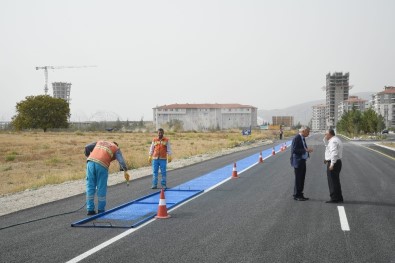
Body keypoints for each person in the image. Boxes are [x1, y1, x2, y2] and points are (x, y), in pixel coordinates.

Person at [84, 141, 128, 215]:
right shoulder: (115, 148)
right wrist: (124, 169)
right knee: (101, 186)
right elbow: (121, 161)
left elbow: (87, 146)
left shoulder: (100, 142)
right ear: (116, 144)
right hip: (102, 165)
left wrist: (88, 156)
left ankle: (90, 209)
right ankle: (101, 210)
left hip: (90, 163)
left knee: (90, 186)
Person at [290, 126, 313, 201]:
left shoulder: (302, 138)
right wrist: (305, 150)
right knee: (298, 179)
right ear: (303, 131)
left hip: (302, 161)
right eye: (307, 132)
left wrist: (306, 151)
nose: (308, 133)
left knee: (302, 178)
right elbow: (294, 150)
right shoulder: (297, 138)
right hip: (298, 161)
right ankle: (297, 195)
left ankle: (300, 194)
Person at [323, 129, 344, 203]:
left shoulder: (333, 141)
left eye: (326, 134)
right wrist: (326, 159)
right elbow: (329, 150)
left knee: (332, 181)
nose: (324, 135)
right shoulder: (336, 139)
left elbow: (334, 153)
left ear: (330, 134)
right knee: (336, 181)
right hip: (336, 162)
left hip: (334, 163)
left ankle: (334, 198)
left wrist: (332, 164)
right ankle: (339, 197)